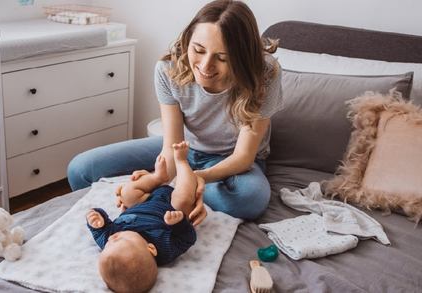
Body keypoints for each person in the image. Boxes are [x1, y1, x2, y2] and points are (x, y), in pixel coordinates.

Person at [68, 0, 282, 222]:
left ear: (242, 58)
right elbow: (171, 147)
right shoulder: (168, 69)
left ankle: (165, 195)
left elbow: (243, 157)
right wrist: (163, 176)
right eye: (198, 50)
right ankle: (171, 193)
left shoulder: (265, 74)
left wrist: (193, 179)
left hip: (232, 158)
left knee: (250, 199)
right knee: (81, 169)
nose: (206, 66)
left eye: (222, 58)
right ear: (188, 40)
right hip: (183, 149)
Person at [86, 141, 198, 293]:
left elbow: (101, 230)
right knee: (184, 199)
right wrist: (178, 223)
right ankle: (182, 162)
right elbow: (187, 239)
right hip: (171, 206)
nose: (112, 239)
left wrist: (97, 221)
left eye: (107, 246)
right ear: (151, 248)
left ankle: (158, 177)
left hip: (143, 200)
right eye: (121, 241)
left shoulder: (110, 238)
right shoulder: (165, 249)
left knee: (127, 193)